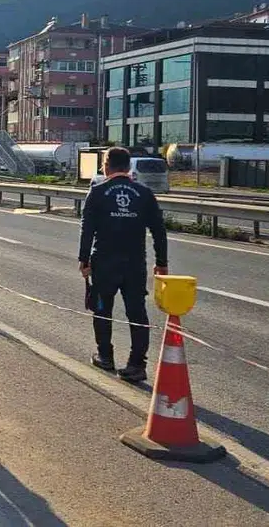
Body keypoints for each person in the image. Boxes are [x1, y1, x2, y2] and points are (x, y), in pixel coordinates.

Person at [78, 146, 168, 383]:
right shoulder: (144, 193)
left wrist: (83, 260)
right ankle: (137, 364)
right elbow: (159, 231)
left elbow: (87, 230)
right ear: (128, 167)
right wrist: (162, 263)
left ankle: (105, 356)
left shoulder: (97, 193)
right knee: (137, 313)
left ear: (106, 165)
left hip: (104, 262)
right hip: (134, 263)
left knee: (102, 310)